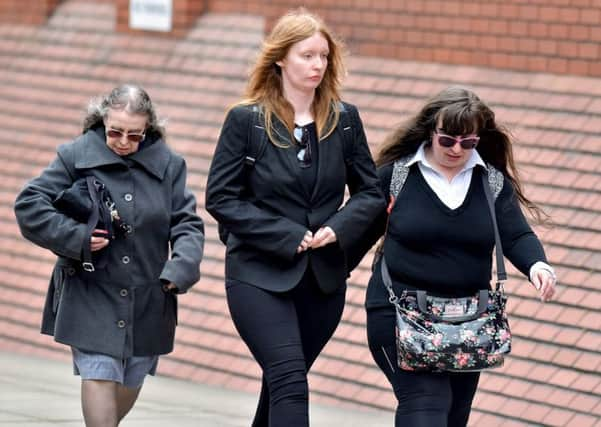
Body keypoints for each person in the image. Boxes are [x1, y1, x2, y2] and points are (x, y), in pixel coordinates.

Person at [205, 8, 385, 427]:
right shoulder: (246, 120)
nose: (317, 65)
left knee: (283, 383)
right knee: (289, 379)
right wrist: (287, 234)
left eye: (323, 56)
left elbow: (370, 193)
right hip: (257, 274)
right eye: (307, 56)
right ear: (280, 59)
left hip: (322, 280)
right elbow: (222, 198)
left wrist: (335, 229)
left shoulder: (344, 120)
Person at [352, 86, 557, 427]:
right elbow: (357, 231)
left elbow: (516, 234)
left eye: (468, 143)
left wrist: (538, 265)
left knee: (453, 415)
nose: (457, 150)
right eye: (447, 140)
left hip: (467, 323)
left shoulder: (490, 182)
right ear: (431, 132)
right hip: (399, 314)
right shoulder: (398, 176)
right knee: (426, 403)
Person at [14, 84, 204, 427]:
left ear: (149, 129)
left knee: (130, 380)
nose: (123, 142)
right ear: (102, 121)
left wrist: (181, 268)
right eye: (115, 132)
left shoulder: (170, 166)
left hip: (149, 298)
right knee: (99, 374)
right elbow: (29, 206)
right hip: (90, 292)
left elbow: (187, 224)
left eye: (134, 135)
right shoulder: (75, 156)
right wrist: (78, 237)